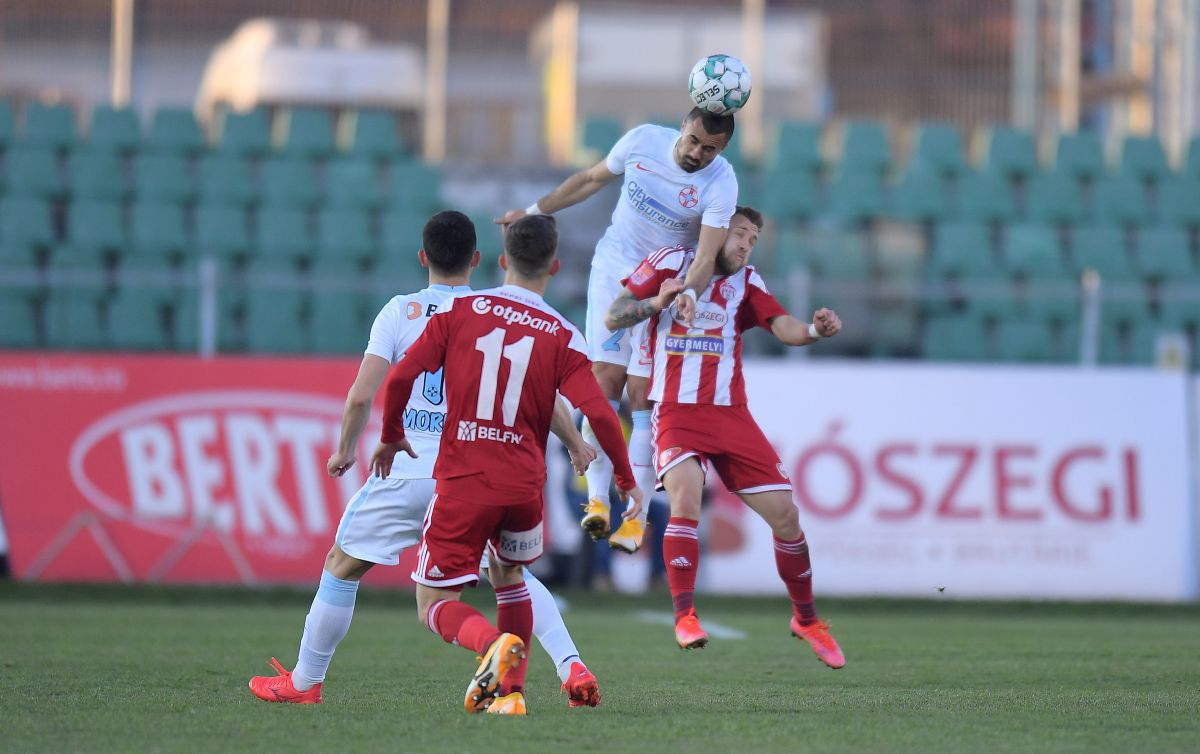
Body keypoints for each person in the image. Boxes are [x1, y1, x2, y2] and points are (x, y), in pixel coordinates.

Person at [248, 211, 606, 707]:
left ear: (423, 257)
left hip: (407, 468)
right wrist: (572, 440)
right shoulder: (491, 310)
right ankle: (571, 667)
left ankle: (306, 682)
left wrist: (346, 448)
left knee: (342, 566)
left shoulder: (401, 312)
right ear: (478, 260)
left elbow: (360, 396)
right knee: (510, 577)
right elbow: (536, 394)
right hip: (470, 470)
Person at [370, 215, 644, 716]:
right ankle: (510, 694)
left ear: (501, 261)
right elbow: (601, 414)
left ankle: (489, 646)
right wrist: (625, 479)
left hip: (465, 478)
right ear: (554, 267)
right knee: (510, 575)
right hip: (523, 487)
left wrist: (391, 437)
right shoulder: (561, 333)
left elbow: (399, 379)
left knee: (431, 604)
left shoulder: (461, 310)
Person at [603, 206, 846, 669]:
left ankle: (807, 620)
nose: (744, 244)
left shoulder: (747, 282)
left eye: (752, 239)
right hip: (676, 410)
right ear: (713, 232)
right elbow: (616, 315)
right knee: (686, 500)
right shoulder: (667, 264)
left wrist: (815, 330)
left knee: (787, 518)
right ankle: (685, 616)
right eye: (739, 233)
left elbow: (782, 326)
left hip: (731, 415)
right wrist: (658, 302)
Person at [496, 108, 738, 555]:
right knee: (602, 380)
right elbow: (589, 180)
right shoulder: (642, 141)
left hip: (667, 282)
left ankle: (637, 518)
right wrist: (532, 212)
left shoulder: (722, 182)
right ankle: (596, 502)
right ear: (683, 128)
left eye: (710, 149)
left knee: (642, 394)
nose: (698, 154)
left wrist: (689, 292)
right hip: (613, 272)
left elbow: (705, 257)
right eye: (694, 142)